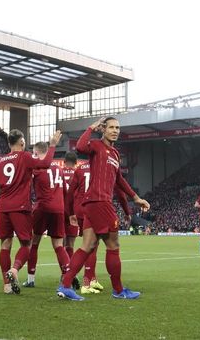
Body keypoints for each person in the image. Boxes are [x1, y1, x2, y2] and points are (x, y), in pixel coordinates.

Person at [57, 117, 150, 301]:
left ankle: (65, 285)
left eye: (117, 128)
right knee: (113, 245)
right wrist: (91, 127)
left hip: (94, 204)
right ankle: (118, 290)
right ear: (103, 130)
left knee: (87, 245)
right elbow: (80, 147)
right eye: (111, 127)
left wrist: (136, 198)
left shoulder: (115, 154)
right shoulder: (96, 146)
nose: (115, 130)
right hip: (100, 202)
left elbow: (120, 180)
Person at [0, 129, 62, 294]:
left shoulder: (0, 161)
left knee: (5, 244)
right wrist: (52, 145)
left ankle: (7, 285)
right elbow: (45, 164)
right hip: (20, 207)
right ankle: (15, 270)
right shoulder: (24, 156)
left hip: (3, 207)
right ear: (22, 142)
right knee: (27, 243)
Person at [66, 161, 132, 294]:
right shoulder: (106, 166)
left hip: (80, 207)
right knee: (93, 246)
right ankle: (87, 282)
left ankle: (88, 279)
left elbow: (70, 192)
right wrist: (126, 211)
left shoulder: (79, 169)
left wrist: (70, 212)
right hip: (97, 206)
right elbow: (120, 192)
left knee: (89, 244)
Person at [23, 142, 71, 288]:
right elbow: (65, 193)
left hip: (42, 207)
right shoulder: (59, 169)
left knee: (34, 244)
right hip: (59, 209)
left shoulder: (37, 168)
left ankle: (31, 279)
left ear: (37, 153)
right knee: (58, 245)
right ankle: (68, 275)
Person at [61, 152, 78, 259]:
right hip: (73, 211)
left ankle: (64, 270)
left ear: (64, 162)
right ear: (76, 163)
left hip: (60, 209)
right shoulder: (78, 174)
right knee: (71, 244)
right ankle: (71, 271)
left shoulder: (59, 172)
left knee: (60, 244)